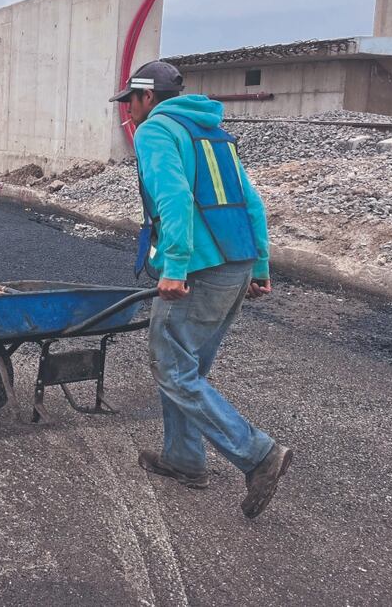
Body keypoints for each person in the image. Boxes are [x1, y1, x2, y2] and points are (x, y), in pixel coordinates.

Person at [109, 60, 291, 519]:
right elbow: (250, 200)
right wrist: (261, 264)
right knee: (189, 369)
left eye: (130, 100)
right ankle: (184, 459)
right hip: (236, 262)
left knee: (172, 367)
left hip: (200, 269)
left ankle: (258, 454)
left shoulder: (156, 131)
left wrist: (174, 266)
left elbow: (173, 199)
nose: (128, 110)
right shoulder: (212, 132)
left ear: (148, 96)